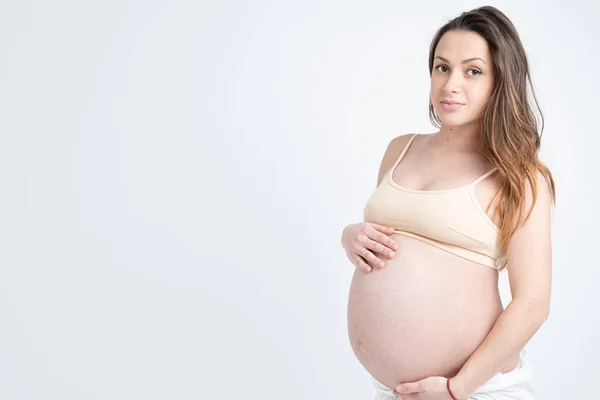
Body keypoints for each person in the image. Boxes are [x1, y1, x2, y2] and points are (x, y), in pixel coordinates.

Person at [341, 6, 556, 400]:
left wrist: (457, 389)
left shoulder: (520, 177)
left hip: (473, 391)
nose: (451, 84)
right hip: (393, 390)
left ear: (500, 81)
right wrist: (350, 237)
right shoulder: (399, 149)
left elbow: (532, 303)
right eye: (442, 68)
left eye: (472, 71)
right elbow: (383, 244)